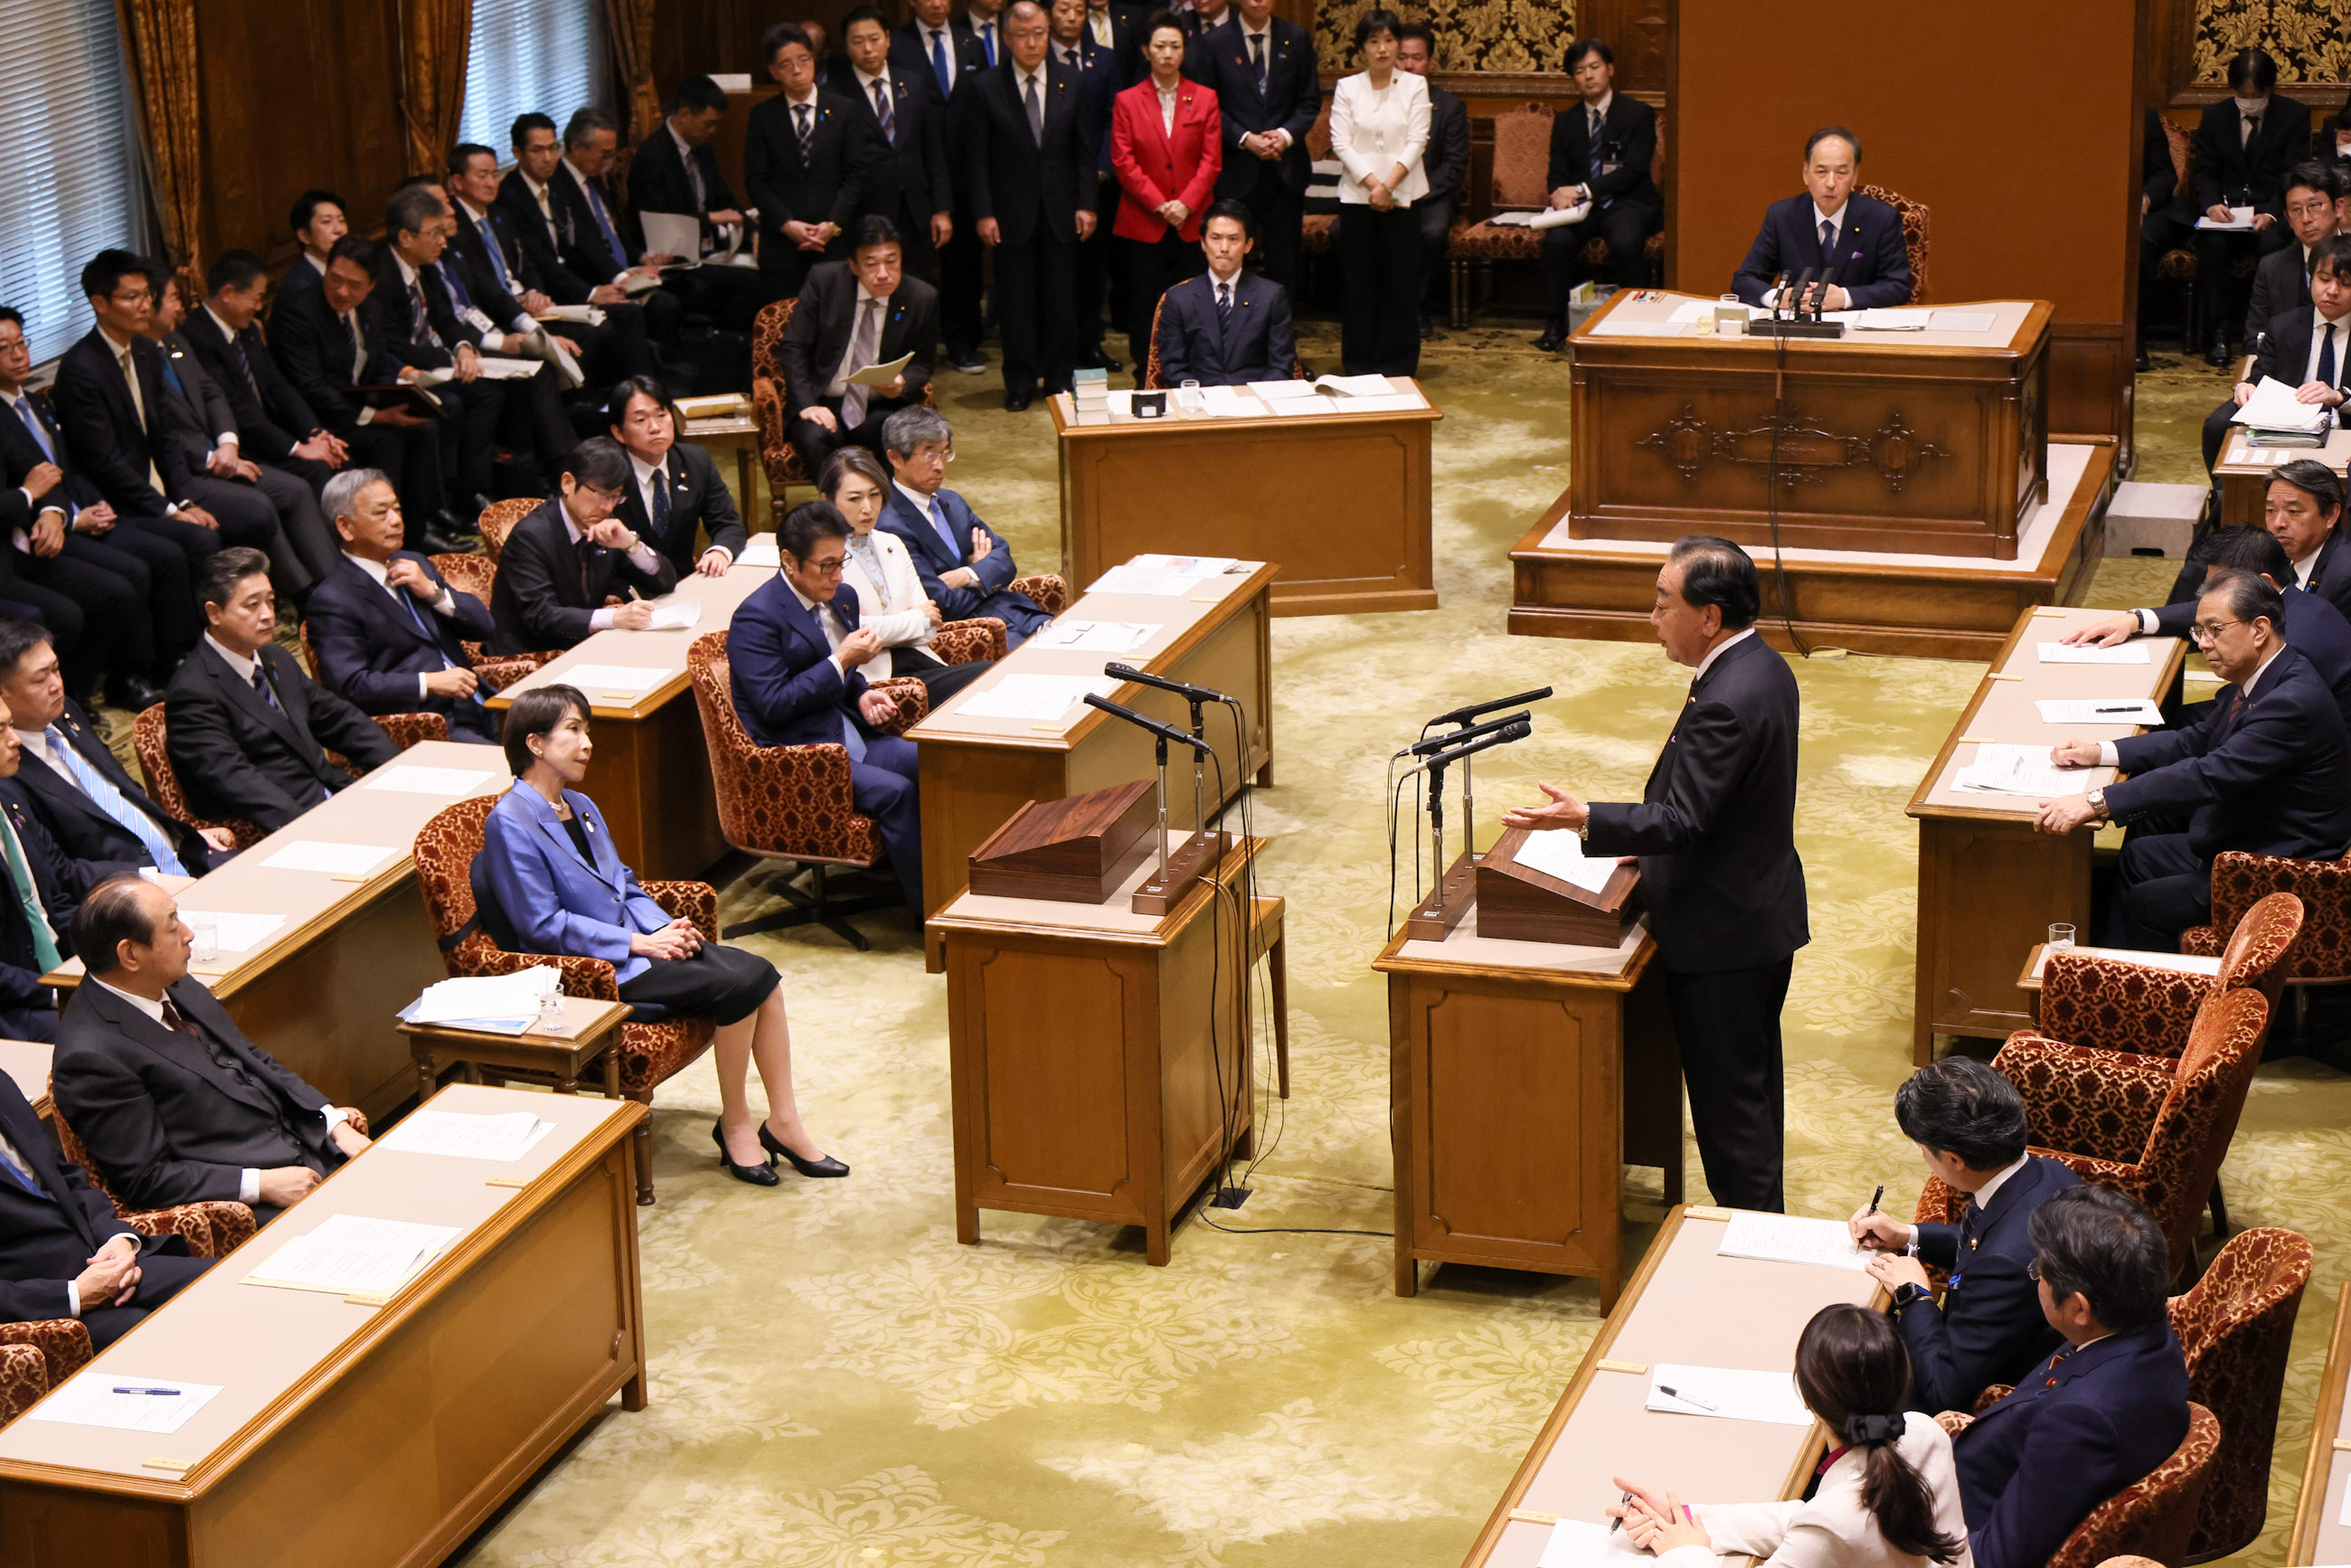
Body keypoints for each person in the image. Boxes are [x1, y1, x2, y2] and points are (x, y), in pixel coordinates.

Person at [1502, 537, 1806, 1212]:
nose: (1653, 617)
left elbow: (1686, 818)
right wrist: (1641, 841)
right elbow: (1722, 804)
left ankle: (1755, 1235)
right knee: (1752, 1092)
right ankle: (1761, 1223)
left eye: (1664, 604)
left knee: (1733, 1114)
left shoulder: (1728, 697)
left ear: (1710, 616)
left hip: (1723, 936)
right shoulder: (1762, 665)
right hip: (1756, 910)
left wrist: (1587, 819)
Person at [487, 685, 845, 1184]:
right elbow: (542, 925)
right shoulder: (510, 822)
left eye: (587, 729)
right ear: (535, 743)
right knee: (743, 984)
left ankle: (783, 1122)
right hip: (590, 971)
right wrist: (638, 943)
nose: (588, 742)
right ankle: (737, 1123)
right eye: (574, 729)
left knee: (765, 977)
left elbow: (623, 882)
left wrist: (663, 927)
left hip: (638, 948)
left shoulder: (581, 805)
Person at [2039, 568, 2351, 949]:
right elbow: (2197, 740)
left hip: (2284, 868)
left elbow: (2207, 775)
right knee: (2139, 855)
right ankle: (2115, 962)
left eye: (2215, 630)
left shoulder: (2290, 703)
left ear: (2259, 629)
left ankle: (2148, 982)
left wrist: (2097, 801)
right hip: (2254, 832)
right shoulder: (2269, 673)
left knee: (2146, 904)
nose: (2203, 643)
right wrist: (2101, 751)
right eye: (2199, 631)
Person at [52, 876, 370, 1223]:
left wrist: (333, 1124)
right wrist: (261, 1185)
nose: (188, 934)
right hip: (252, 1203)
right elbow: (148, 1178)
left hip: (308, 1145)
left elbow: (251, 1058)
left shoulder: (171, 980)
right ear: (130, 954)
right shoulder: (90, 1056)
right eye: (172, 925)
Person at [1609, 1303, 1970, 1568]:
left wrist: (1686, 1553)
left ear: (1808, 1401)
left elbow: (1824, 1525)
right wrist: (1683, 1517)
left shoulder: (1834, 1520)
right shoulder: (1924, 1432)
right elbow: (1808, 1521)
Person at [1948, 1186, 2190, 1568]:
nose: (2035, 1277)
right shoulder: (2146, 1324)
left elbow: (1995, 1558)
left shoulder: (2081, 1421)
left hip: (1959, 1527)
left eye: (2039, 1271)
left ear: (2079, 1308)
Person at [1851, 1057, 2083, 1416]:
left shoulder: (2004, 1265)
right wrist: (1907, 1235)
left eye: (1923, 1149)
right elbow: (1981, 1242)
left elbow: (1943, 1389)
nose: (1923, 1157)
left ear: (1955, 1160)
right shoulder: (2048, 1173)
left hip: (1983, 1399)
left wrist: (1914, 1295)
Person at [730, 503, 926, 914]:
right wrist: (842, 661)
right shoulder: (756, 619)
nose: (838, 575)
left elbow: (842, 671)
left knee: (937, 762)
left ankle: (952, 881)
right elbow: (774, 705)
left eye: (842, 561)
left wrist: (860, 693)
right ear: (790, 561)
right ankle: (926, 912)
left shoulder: (843, 596)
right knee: (898, 792)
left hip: (848, 732)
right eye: (827, 566)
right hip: (801, 755)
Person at [0, 307, 184, 712]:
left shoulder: (36, 402)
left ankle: (151, 668)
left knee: (152, 563)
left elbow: (57, 473)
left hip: (61, 519)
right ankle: (81, 694)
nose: (18, 354)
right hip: (25, 543)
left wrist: (70, 509)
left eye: (21, 344)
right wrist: (54, 512)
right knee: (113, 586)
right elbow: (28, 485)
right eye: (4, 348)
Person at [49, 251, 270, 581]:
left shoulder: (144, 350)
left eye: (147, 294)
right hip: (118, 502)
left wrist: (185, 501)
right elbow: (106, 463)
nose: (145, 306)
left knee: (252, 511)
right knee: (201, 538)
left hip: (164, 485)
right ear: (100, 303)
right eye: (132, 297)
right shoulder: (81, 369)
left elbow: (166, 435)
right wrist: (170, 511)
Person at [375, 185, 579, 518]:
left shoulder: (426, 265)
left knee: (524, 375)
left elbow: (445, 318)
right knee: (484, 391)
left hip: (442, 358)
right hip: (406, 369)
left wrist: (463, 348)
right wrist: (454, 358)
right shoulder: (382, 276)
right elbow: (394, 344)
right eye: (434, 233)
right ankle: (470, 491)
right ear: (406, 238)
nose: (443, 241)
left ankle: (540, 472)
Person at [165, 548, 399, 832]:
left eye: (271, 601)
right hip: (283, 827)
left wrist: (398, 768)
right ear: (214, 612)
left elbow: (339, 720)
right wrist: (318, 829)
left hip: (335, 795)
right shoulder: (193, 693)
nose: (268, 615)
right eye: (252, 605)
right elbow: (241, 784)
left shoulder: (275, 657)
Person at [143, 268, 330, 605]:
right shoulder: (139, 359)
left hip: (225, 455)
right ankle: (306, 596)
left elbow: (211, 392)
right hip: (185, 474)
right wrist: (212, 457)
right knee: (258, 505)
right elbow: (162, 431)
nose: (180, 307)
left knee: (296, 489)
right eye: (172, 298)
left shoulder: (174, 342)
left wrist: (228, 443)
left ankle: (333, 581)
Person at [265, 235, 459, 554]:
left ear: (371, 286)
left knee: (425, 424)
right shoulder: (299, 313)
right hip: (323, 418)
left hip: (360, 404)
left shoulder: (370, 307)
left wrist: (395, 395)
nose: (342, 291)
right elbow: (310, 386)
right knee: (388, 439)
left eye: (354, 285)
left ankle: (420, 524)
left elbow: (379, 362)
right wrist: (375, 416)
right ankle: (380, 536)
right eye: (335, 279)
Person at [0, 1063, 208, 1350]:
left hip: (103, 1261)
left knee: (226, 1287)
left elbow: (65, 1177)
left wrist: (116, 1239)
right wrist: (75, 1294)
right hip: (40, 1312)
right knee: (163, 1341)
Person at [2060, 522, 2351, 726]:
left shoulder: (2291, 647)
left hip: (2293, 747)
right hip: (2255, 711)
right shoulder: (2292, 601)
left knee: (2159, 730)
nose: (2203, 642)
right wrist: (2135, 619)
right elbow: (2204, 610)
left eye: (2220, 587)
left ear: (2262, 583)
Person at [0, 621, 225, 876]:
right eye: (40, 679)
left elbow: (125, 789)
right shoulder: (8, 770)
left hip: (179, 853)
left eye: (56, 669)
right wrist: (150, 880)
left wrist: (181, 834)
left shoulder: (65, 713)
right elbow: (59, 872)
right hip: (127, 887)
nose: (56, 685)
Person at [968, 0, 1100, 411]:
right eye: (1022, 35)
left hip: (1062, 210)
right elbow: (977, 157)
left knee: (1062, 302)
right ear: (1007, 38)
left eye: (1039, 33)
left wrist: (1087, 204)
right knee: (1016, 303)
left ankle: (1059, 379)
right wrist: (984, 212)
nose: (1031, 43)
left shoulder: (1071, 80)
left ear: (1049, 33)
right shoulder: (986, 86)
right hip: (1010, 214)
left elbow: (1084, 150)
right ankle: (1020, 381)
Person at [303, 468, 500, 743]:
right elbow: (351, 685)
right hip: (430, 725)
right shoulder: (333, 599)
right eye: (381, 513)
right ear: (345, 527)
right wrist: (427, 682)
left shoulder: (414, 562)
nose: (396, 520)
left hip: (483, 702)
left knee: (555, 729)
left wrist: (433, 593)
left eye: (396, 509)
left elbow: (485, 627)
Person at [178, 249, 354, 550]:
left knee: (336, 458)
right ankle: (330, 557)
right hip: (242, 447)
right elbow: (238, 410)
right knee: (311, 473)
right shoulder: (195, 337)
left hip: (272, 432)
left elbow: (277, 385)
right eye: (256, 298)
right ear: (228, 293)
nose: (259, 307)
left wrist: (315, 433)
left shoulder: (246, 329)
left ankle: (346, 549)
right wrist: (298, 448)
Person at [446, 142, 650, 386]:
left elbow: (527, 263)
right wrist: (521, 309)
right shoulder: (453, 228)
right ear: (457, 182)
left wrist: (534, 291)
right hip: (500, 316)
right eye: (482, 176)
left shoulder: (499, 215)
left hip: (530, 303)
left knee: (618, 318)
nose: (492, 183)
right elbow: (485, 287)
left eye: (494, 174)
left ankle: (639, 390)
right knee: (591, 334)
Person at [497, 110, 681, 363]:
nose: (548, 158)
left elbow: (583, 238)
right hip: (548, 290)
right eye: (538, 150)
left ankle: (654, 376)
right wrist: (591, 293)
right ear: (518, 153)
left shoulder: (554, 185)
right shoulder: (510, 196)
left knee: (654, 299)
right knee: (627, 315)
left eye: (552, 148)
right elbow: (539, 259)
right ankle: (639, 383)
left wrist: (620, 277)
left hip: (573, 279)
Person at [821, 446, 993, 703]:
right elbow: (855, 633)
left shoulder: (891, 542)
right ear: (828, 500)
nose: (867, 508)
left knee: (993, 676)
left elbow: (931, 626)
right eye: (855, 499)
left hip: (918, 660)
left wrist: (895, 626)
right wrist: (915, 619)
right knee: (985, 678)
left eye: (875, 495)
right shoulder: (823, 557)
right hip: (870, 682)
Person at [779, 218, 940, 478]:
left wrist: (901, 381)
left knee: (899, 435)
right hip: (824, 402)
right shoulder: (825, 282)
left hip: (878, 405)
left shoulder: (921, 297)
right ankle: (836, 505)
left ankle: (890, 504)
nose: (883, 273)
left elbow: (923, 364)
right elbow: (792, 346)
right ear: (854, 266)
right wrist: (808, 404)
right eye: (871, 264)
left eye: (891, 261)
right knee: (814, 438)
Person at [488, 437, 679, 656]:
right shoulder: (530, 537)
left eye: (615, 497)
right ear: (568, 483)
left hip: (583, 645)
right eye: (601, 495)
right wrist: (614, 618)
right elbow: (542, 616)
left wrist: (631, 545)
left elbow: (665, 583)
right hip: (529, 656)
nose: (607, 507)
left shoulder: (604, 527)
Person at [877, 407, 1053, 643]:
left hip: (1017, 613)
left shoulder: (953, 501)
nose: (940, 466)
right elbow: (942, 603)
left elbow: (1005, 561)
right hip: (971, 635)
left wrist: (967, 574)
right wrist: (984, 575)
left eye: (944, 453)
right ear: (896, 458)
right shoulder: (890, 526)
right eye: (929, 455)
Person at [1110, 11, 1223, 375]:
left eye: (1175, 46)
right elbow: (1123, 161)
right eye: (1160, 46)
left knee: (1194, 300)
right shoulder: (1127, 100)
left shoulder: (1205, 97)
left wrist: (1185, 204)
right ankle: (1147, 372)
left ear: (1184, 51)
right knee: (1145, 301)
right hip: (1144, 219)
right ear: (1146, 51)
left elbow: (1211, 161)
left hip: (1192, 220)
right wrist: (1161, 205)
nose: (1167, 53)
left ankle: (1192, 369)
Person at [1534, 37, 1661, 351]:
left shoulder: (1638, 114)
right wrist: (1558, 194)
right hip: (1581, 207)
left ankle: (1635, 323)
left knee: (1626, 242)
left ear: (1610, 69)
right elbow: (1557, 171)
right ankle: (1556, 323)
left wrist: (1583, 189)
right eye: (1580, 71)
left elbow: (1634, 170)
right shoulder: (1565, 121)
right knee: (1556, 241)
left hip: (1627, 200)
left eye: (1594, 67)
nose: (1588, 76)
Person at [1184, 0, 1319, 294]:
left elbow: (1309, 101)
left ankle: (1280, 320)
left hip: (1285, 170)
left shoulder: (1296, 38)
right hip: (1235, 170)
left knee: (1285, 263)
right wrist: (1245, 138)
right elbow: (1206, 104)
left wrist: (1284, 135)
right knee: (1227, 258)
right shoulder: (1214, 42)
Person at [890, 0, 993, 373]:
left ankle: (962, 342)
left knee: (964, 264)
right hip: (913, 175)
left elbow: (983, 105)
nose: (936, 3)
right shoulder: (895, 44)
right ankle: (910, 349)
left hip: (965, 171)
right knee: (911, 265)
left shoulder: (972, 43)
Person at [746, 24, 882, 305]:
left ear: (814, 59)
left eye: (803, 59)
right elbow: (756, 181)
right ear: (773, 71)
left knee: (835, 320)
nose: (797, 70)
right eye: (786, 64)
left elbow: (856, 174)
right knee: (784, 322)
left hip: (833, 242)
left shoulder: (844, 109)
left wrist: (833, 224)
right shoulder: (762, 116)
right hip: (782, 246)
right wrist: (786, 224)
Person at [1328, 8, 1429, 378]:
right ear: (1362, 48)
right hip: (1358, 198)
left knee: (1400, 283)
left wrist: (1389, 186)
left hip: (1404, 196)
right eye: (1374, 41)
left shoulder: (1415, 86)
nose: (1383, 48)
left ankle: (1398, 366)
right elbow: (1340, 142)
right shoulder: (1347, 87)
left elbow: (1417, 140)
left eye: (1389, 40)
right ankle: (1359, 365)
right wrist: (1374, 185)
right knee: (1360, 283)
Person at [2193, 48, 2309, 365]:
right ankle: (2218, 334)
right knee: (2214, 247)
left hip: (2271, 213)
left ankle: (2267, 336)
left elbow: (2292, 174)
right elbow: (2205, 172)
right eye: (2242, 96)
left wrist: (2271, 211)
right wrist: (2211, 204)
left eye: (2255, 96)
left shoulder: (2294, 116)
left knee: (2274, 248)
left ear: (2269, 89)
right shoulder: (2214, 116)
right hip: (2226, 215)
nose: (2248, 102)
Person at [2205, 233, 2351, 482]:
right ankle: (2223, 495)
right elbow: (2260, 377)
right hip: (2289, 425)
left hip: (2344, 425)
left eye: (2345, 284)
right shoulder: (2283, 326)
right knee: (2217, 425)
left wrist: (2339, 396)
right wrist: (2247, 387)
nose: (2332, 291)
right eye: (2324, 279)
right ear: (2311, 278)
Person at [626, 75, 763, 332]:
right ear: (685, 114)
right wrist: (709, 219)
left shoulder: (701, 149)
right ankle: (728, 345)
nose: (713, 132)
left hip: (710, 248)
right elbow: (657, 223)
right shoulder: (651, 157)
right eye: (708, 124)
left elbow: (724, 199)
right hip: (674, 258)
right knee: (748, 283)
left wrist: (753, 231)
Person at [1732, 128, 1912, 314]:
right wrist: (1777, 298)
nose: (1831, 183)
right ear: (1805, 173)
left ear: (1854, 175)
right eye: (1821, 172)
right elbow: (1744, 279)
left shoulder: (1881, 219)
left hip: (1856, 325)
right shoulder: (1783, 216)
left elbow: (1898, 286)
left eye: (1842, 172)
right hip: (1798, 324)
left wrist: (1845, 297)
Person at [844, 5, 955, 283]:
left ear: (888, 39)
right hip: (866, 211)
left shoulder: (914, 84)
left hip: (916, 210)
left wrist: (941, 209)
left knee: (919, 287)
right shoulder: (837, 95)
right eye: (858, 42)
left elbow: (933, 151)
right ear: (847, 47)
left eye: (874, 39)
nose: (868, 49)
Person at [0, 694, 88, 1040]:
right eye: (0, 730)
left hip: (61, 968)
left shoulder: (10, 795)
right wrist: (55, 990)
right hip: (16, 1001)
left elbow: (53, 897)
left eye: (10, 725)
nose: (15, 739)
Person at [1050, 0, 1128, 373]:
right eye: (1064, 9)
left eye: (1079, 11)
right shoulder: (1035, 57)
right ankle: (1054, 350)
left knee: (1092, 273)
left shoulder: (1106, 59)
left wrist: (1099, 170)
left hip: (1095, 183)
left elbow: (1116, 118)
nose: (1071, 18)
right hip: (1048, 184)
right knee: (1054, 272)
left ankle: (1090, 344)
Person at [608, 376, 746, 580]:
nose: (655, 427)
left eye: (661, 415)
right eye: (640, 420)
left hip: (684, 583)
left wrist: (719, 551)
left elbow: (728, 523)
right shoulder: (606, 474)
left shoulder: (695, 461)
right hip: (628, 590)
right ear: (618, 432)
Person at [1151, 199, 1295, 385]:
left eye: (1233, 239)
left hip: (1254, 398)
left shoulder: (1271, 296)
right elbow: (1173, 369)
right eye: (1216, 238)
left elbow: (1281, 366)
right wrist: (1202, 397)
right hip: (1198, 399)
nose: (1224, 248)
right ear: (1203, 243)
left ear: (1248, 245)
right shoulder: (1178, 299)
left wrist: (1249, 397)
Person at [1395, 24, 1466, 341]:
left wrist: (1415, 193)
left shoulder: (1450, 107)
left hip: (1430, 195)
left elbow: (1453, 165)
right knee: (1342, 231)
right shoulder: (1378, 100)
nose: (1409, 65)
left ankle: (1415, 307)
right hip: (1382, 192)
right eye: (1402, 58)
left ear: (1430, 62)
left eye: (1417, 58)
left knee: (1433, 232)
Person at [2243, 160, 2337, 341]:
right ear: (2287, 218)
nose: (2306, 218)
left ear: (2338, 207)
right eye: (2296, 210)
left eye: (2314, 206)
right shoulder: (2271, 268)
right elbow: (2255, 338)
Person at [2257, 458, 2351, 618]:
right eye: (2271, 510)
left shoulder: (2344, 579)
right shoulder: (2272, 558)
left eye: (2293, 512)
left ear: (2330, 515)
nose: (2278, 523)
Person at [2140, 109, 2191, 372]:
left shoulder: (2143, 116)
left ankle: (2134, 335)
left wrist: (2145, 198)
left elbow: (2164, 174)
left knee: (2140, 243)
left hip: (2149, 208)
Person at [270, 189, 349, 321]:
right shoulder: (298, 289)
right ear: (304, 235)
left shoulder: (352, 270)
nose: (339, 230)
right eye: (326, 222)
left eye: (341, 220)